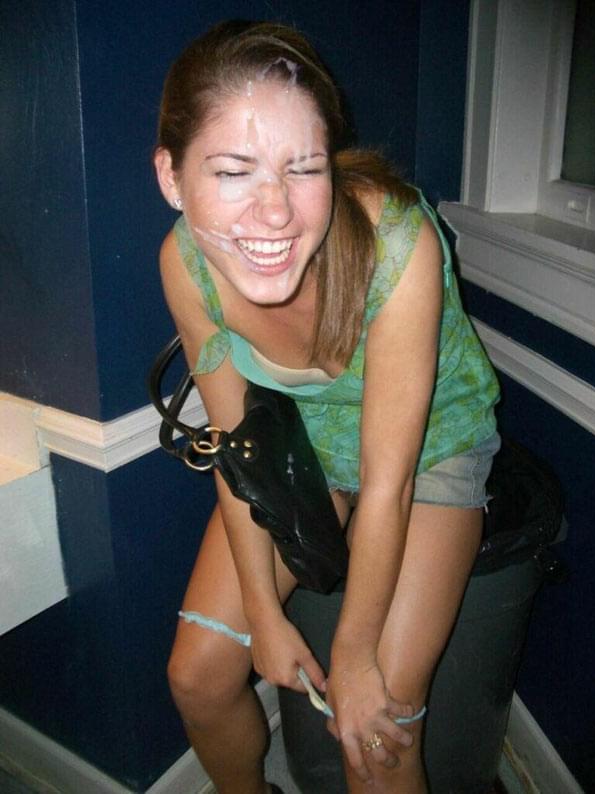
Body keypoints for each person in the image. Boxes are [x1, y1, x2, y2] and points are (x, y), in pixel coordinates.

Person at [154, 19, 500, 794]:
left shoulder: (396, 242)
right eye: (233, 171)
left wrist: (354, 653)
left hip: (428, 453)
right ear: (171, 177)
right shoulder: (185, 264)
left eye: (302, 167)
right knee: (198, 677)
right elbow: (238, 446)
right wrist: (262, 614)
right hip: (301, 446)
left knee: (373, 734)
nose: (275, 211)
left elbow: (389, 481)